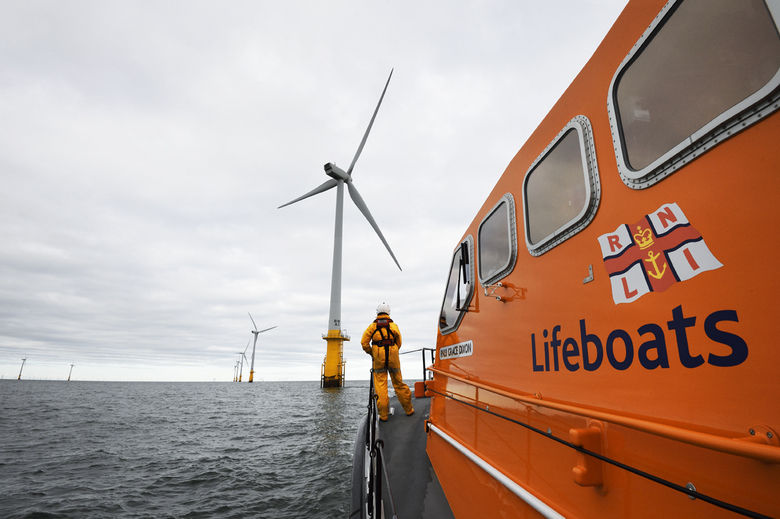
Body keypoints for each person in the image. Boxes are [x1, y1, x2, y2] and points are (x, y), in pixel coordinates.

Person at [361, 302, 414, 421]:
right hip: (393, 356)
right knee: (398, 383)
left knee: (380, 385)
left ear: (377, 313)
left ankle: (384, 415)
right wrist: (394, 351)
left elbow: (364, 343)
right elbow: (399, 342)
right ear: (388, 312)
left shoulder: (372, 327)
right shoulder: (394, 326)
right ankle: (409, 409)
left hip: (378, 357)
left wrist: (372, 352)